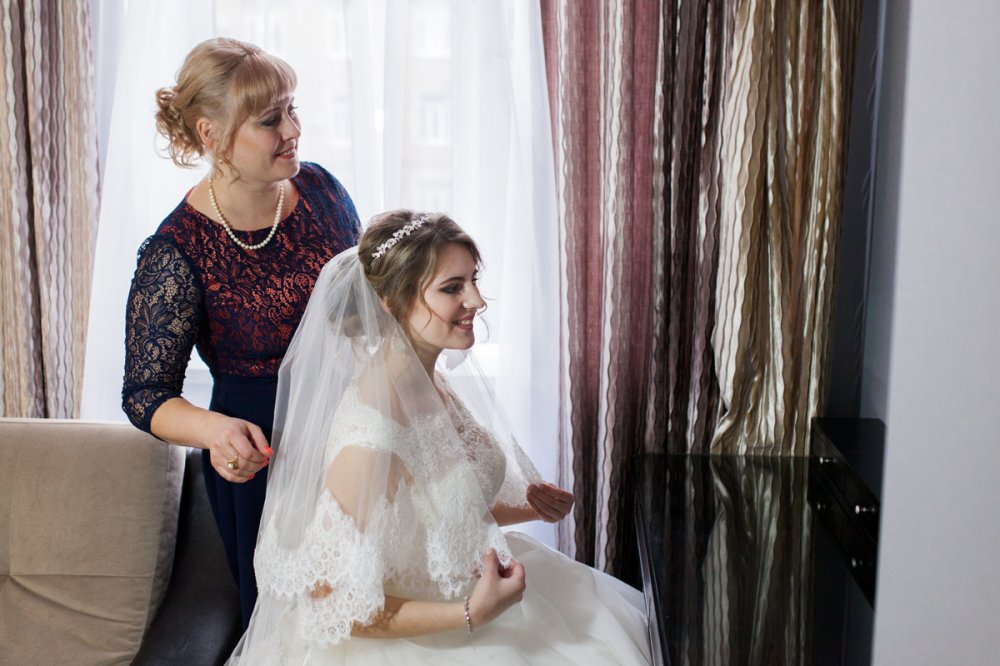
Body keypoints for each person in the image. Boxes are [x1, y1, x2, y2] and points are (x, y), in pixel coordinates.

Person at [229, 211, 651, 664]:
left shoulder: (423, 377)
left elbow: (429, 516)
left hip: (471, 587)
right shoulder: (371, 436)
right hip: (414, 636)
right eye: (452, 288)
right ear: (390, 301)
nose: (477, 300)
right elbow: (327, 598)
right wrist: (471, 613)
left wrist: (532, 509)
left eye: (473, 280)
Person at [121, 37, 360, 628]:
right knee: (300, 630)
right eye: (270, 119)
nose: (293, 130)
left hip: (358, 436)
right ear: (211, 134)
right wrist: (216, 431)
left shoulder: (324, 190)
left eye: (292, 109)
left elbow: (364, 313)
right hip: (265, 459)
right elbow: (145, 395)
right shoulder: (176, 250)